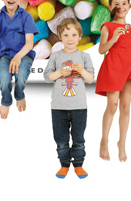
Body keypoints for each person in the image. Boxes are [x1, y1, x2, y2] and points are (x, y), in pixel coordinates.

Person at [44, 18, 95, 179]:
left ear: (80, 36)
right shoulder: (55, 56)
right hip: (58, 106)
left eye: (73, 35)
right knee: (61, 140)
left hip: (79, 106)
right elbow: (47, 77)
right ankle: (64, 165)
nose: (70, 39)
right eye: (66, 35)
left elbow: (90, 79)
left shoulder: (84, 56)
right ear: (60, 37)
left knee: (79, 138)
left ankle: (79, 165)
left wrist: (82, 71)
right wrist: (60, 73)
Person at [96, 0, 131, 162]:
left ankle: (121, 143)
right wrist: (114, 38)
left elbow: (130, 47)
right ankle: (104, 140)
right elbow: (102, 49)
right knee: (112, 105)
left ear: (129, 6)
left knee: (125, 106)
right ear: (110, 8)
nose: (121, 7)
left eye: (124, 3)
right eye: (116, 4)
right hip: (114, 66)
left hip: (130, 67)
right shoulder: (107, 26)